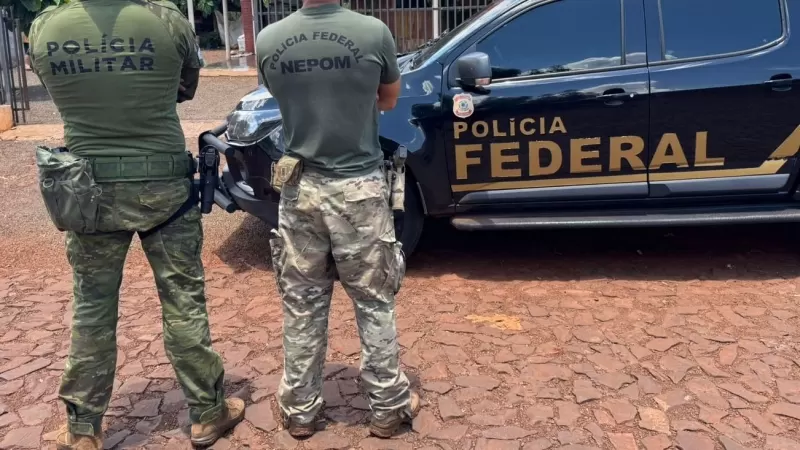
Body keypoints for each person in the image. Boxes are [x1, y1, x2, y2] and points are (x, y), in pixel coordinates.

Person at [27, 1, 243, 448]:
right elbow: (185, 87)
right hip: (165, 187)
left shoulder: (46, 27)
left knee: (92, 307)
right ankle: (207, 412)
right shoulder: (167, 19)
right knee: (182, 299)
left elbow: (55, 86)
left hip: (86, 191)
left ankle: (83, 428)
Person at [255, 0, 420, 440]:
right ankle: (387, 409)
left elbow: (282, 96)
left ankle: (300, 411)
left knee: (302, 304)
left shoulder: (269, 39)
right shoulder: (373, 32)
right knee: (373, 300)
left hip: (300, 189)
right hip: (359, 188)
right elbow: (388, 99)